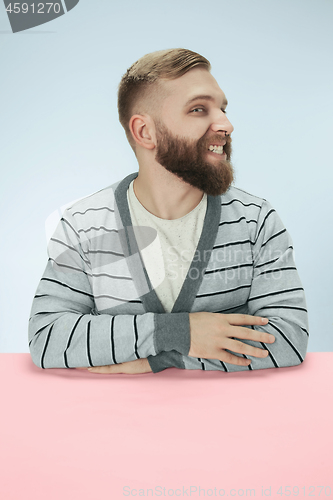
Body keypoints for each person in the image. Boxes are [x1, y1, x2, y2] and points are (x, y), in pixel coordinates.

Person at [28, 48, 309, 375]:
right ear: (145, 132)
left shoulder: (256, 221)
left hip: (233, 421)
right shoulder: (83, 224)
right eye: (199, 109)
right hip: (113, 422)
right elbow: (47, 338)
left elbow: (288, 339)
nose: (226, 124)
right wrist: (179, 332)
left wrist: (158, 359)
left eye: (223, 108)